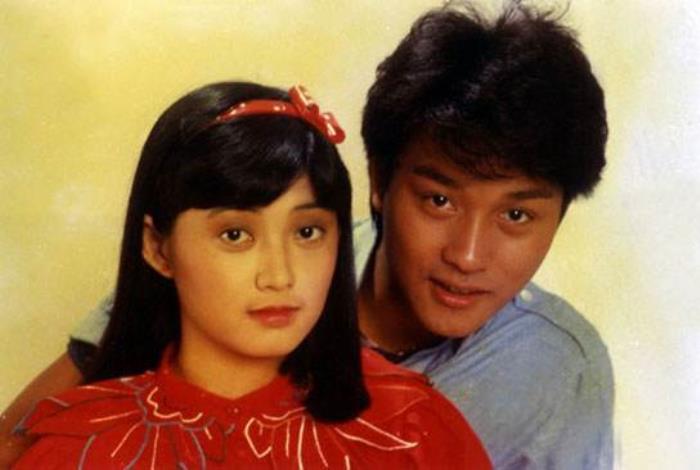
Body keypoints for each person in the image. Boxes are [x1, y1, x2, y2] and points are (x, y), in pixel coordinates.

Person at [2, 3, 614, 468]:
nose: (468, 255)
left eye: (516, 216)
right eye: (438, 200)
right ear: (379, 183)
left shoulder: (553, 373)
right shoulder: (206, 289)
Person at [9, 82, 491, 468]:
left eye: (307, 232)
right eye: (236, 235)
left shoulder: (412, 429)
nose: (279, 276)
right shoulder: (79, 448)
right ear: (158, 248)